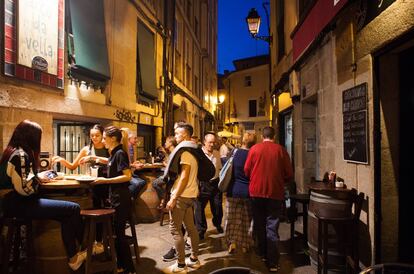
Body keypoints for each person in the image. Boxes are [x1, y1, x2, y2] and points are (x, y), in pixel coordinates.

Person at [0, 120, 86, 271]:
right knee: (73, 208)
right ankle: (87, 247)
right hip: (17, 204)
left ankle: (74, 258)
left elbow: (20, 180)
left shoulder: (12, 151)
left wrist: (37, 178)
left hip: (11, 203)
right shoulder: (20, 155)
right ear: (31, 137)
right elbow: (25, 190)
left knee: (66, 214)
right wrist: (39, 182)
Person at [244, 126, 293, 273]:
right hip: (274, 193)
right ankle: (272, 262)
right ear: (274, 135)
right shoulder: (280, 150)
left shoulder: (254, 149)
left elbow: (246, 170)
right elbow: (289, 174)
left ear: (261, 136)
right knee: (272, 227)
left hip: (256, 192)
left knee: (259, 225)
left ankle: (262, 256)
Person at [93, 126, 135, 273]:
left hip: (121, 199)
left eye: (104, 138)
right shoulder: (114, 154)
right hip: (116, 198)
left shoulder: (120, 153)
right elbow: (110, 162)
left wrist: (105, 181)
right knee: (117, 235)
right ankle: (121, 265)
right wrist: (94, 158)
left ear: (113, 139)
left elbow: (127, 176)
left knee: (120, 236)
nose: (103, 141)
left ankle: (129, 268)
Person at [163, 123, 201, 274]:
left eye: (177, 134)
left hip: (181, 196)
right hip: (190, 195)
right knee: (191, 228)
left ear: (185, 135)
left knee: (175, 230)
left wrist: (174, 197)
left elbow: (184, 177)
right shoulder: (194, 151)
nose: (175, 136)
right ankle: (194, 259)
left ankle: (180, 265)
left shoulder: (185, 153)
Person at [225, 132, 257, 254]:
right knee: (247, 220)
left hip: (233, 190)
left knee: (232, 219)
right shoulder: (253, 155)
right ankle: (245, 245)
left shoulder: (235, 153)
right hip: (249, 192)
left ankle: (232, 243)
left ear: (243, 141)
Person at [194, 132, 223, 240]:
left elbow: (219, 168)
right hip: (202, 184)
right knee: (199, 209)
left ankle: (217, 224)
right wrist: (196, 186)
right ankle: (201, 230)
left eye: (213, 142)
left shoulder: (217, 153)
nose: (212, 144)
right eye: (210, 142)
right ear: (204, 142)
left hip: (215, 184)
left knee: (217, 207)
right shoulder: (198, 154)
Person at [121, 128, 146, 200]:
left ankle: (131, 198)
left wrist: (134, 163)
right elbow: (125, 164)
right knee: (139, 183)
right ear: (128, 139)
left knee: (142, 182)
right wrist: (134, 165)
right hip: (125, 174)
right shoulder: (125, 148)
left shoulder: (131, 147)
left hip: (130, 172)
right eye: (135, 138)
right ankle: (127, 198)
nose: (136, 140)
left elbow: (129, 162)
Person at [152, 136, 177, 208]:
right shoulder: (172, 152)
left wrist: (165, 164)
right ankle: (165, 198)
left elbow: (172, 167)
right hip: (171, 175)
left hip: (171, 176)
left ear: (171, 143)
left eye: (166, 142)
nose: (165, 143)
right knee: (158, 177)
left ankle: (164, 199)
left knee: (155, 183)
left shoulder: (174, 153)